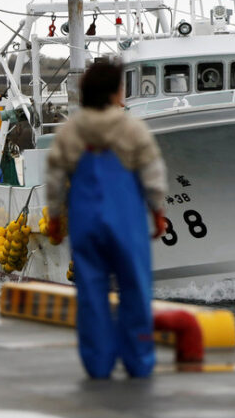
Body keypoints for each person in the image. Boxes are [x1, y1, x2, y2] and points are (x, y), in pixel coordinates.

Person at [44, 60, 168, 379]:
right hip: (126, 221)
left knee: (92, 292)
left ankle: (98, 363)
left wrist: (55, 217)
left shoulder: (71, 130)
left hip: (86, 221)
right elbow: (153, 174)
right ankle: (138, 361)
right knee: (135, 288)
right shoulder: (131, 128)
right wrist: (159, 212)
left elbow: (55, 178)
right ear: (116, 92)